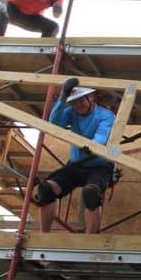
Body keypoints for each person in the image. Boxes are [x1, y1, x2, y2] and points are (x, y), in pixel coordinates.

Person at [33, 78, 116, 234]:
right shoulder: (71, 112)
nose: (78, 105)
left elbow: (102, 136)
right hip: (77, 165)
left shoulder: (106, 115)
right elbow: (54, 125)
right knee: (46, 190)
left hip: (99, 166)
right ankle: (44, 238)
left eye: (81, 101)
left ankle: (88, 243)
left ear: (92, 97)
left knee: (91, 194)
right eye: (74, 102)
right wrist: (62, 98)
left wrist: (91, 147)